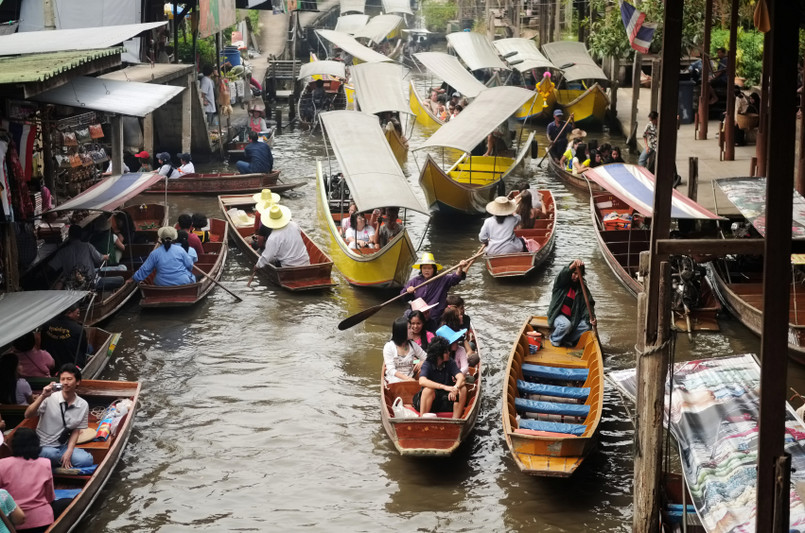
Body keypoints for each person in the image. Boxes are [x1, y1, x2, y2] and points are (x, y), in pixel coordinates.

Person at [24, 364, 93, 469]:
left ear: (77, 382)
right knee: (51, 454)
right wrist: (43, 396)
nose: (65, 382)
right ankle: (57, 463)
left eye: (69, 379)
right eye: (62, 379)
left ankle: (50, 464)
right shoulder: (49, 397)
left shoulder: (83, 404)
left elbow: (76, 430)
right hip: (44, 446)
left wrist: (69, 451)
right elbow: (27, 415)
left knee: (86, 460)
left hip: (63, 446)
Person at [0, 428, 52, 531]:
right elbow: (50, 497)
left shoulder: (2, 464)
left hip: (14, 520)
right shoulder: (46, 463)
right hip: (42, 519)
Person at [401, 252, 471, 328]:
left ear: (434, 269)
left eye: (429, 268)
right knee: (406, 316)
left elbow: (455, 278)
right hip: (418, 318)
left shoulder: (442, 278)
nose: (426, 270)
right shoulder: (414, 281)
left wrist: (460, 268)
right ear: (421, 269)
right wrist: (408, 291)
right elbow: (403, 297)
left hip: (436, 317)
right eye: (424, 268)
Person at [48, 225, 123, 290]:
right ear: (81, 235)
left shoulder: (62, 252)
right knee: (121, 280)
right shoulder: (87, 246)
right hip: (90, 283)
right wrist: (106, 257)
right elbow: (99, 258)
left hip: (72, 286)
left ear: (69, 235)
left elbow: (51, 266)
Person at [413, 337, 467, 419]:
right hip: (431, 399)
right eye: (446, 352)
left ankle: (455, 420)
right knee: (428, 390)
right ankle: (423, 419)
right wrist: (444, 387)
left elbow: (460, 377)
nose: (449, 352)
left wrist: (455, 388)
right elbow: (422, 381)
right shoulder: (427, 363)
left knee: (462, 389)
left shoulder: (450, 362)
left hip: (446, 398)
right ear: (438, 355)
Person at [547, 259, 596, 347]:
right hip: (558, 317)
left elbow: (588, 305)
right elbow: (561, 276)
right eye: (574, 273)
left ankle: (568, 339)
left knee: (587, 326)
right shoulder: (560, 285)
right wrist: (571, 266)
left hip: (573, 318)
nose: (576, 276)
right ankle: (554, 339)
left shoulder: (583, 290)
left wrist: (591, 319)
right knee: (565, 325)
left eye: (579, 274)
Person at [40, 305, 88, 369]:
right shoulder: (78, 329)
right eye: (77, 313)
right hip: (72, 364)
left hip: (53, 362)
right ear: (69, 313)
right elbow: (84, 348)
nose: (78, 316)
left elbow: (43, 344)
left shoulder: (46, 324)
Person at [383, 317, 426, 383]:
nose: (412, 330)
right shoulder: (389, 347)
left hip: (411, 380)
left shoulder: (413, 345)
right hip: (393, 381)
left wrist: (420, 362)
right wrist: (407, 378)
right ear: (401, 331)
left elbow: (426, 357)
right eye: (409, 328)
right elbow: (390, 370)